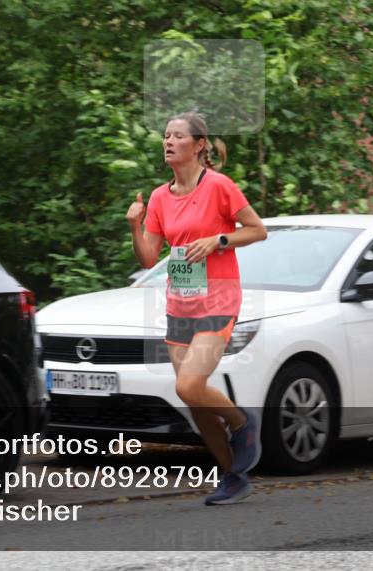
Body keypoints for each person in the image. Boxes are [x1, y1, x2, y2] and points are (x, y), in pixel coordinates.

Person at [126, 110, 268, 505]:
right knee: (195, 398)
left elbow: (257, 229)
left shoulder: (219, 186)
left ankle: (242, 421)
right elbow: (148, 257)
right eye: (165, 136)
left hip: (219, 300)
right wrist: (135, 227)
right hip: (180, 303)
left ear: (199, 144)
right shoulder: (159, 196)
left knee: (188, 385)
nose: (168, 142)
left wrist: (219, 240)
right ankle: (233, 476)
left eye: (177, 136)